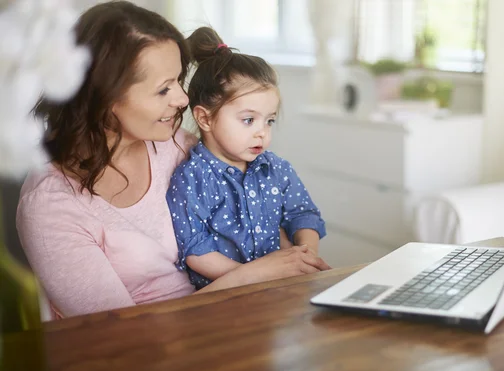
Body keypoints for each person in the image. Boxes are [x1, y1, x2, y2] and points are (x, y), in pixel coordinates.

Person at [16, 1, 329, 319]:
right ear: (106, 96)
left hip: (232, 322)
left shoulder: (179, 147)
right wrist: (252, 276)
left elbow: (264, 212)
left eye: (179, 81)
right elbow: (117, 336)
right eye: (164, 89)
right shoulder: (51, 206)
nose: (182, 99)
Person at [167, 27, 330, 289]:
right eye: (248, 120)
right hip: (224, 299)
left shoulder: (276, 168)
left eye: (270, 121)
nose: (262, 133)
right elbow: (196, 250)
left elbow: (304, 215)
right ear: (205, 118)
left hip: (278, 291)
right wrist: (257, 275)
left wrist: (304, 258)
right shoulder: (192, 178)